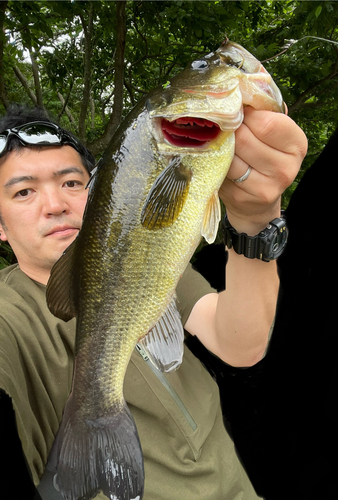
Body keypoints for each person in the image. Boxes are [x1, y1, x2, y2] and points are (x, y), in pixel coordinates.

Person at [0, 104, 307, 500]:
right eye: (23, 191)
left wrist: (256, 220)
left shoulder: (150, 261)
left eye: (72, 183)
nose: (56, 204)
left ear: (102, 193)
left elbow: (241, 344)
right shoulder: (10, 318)